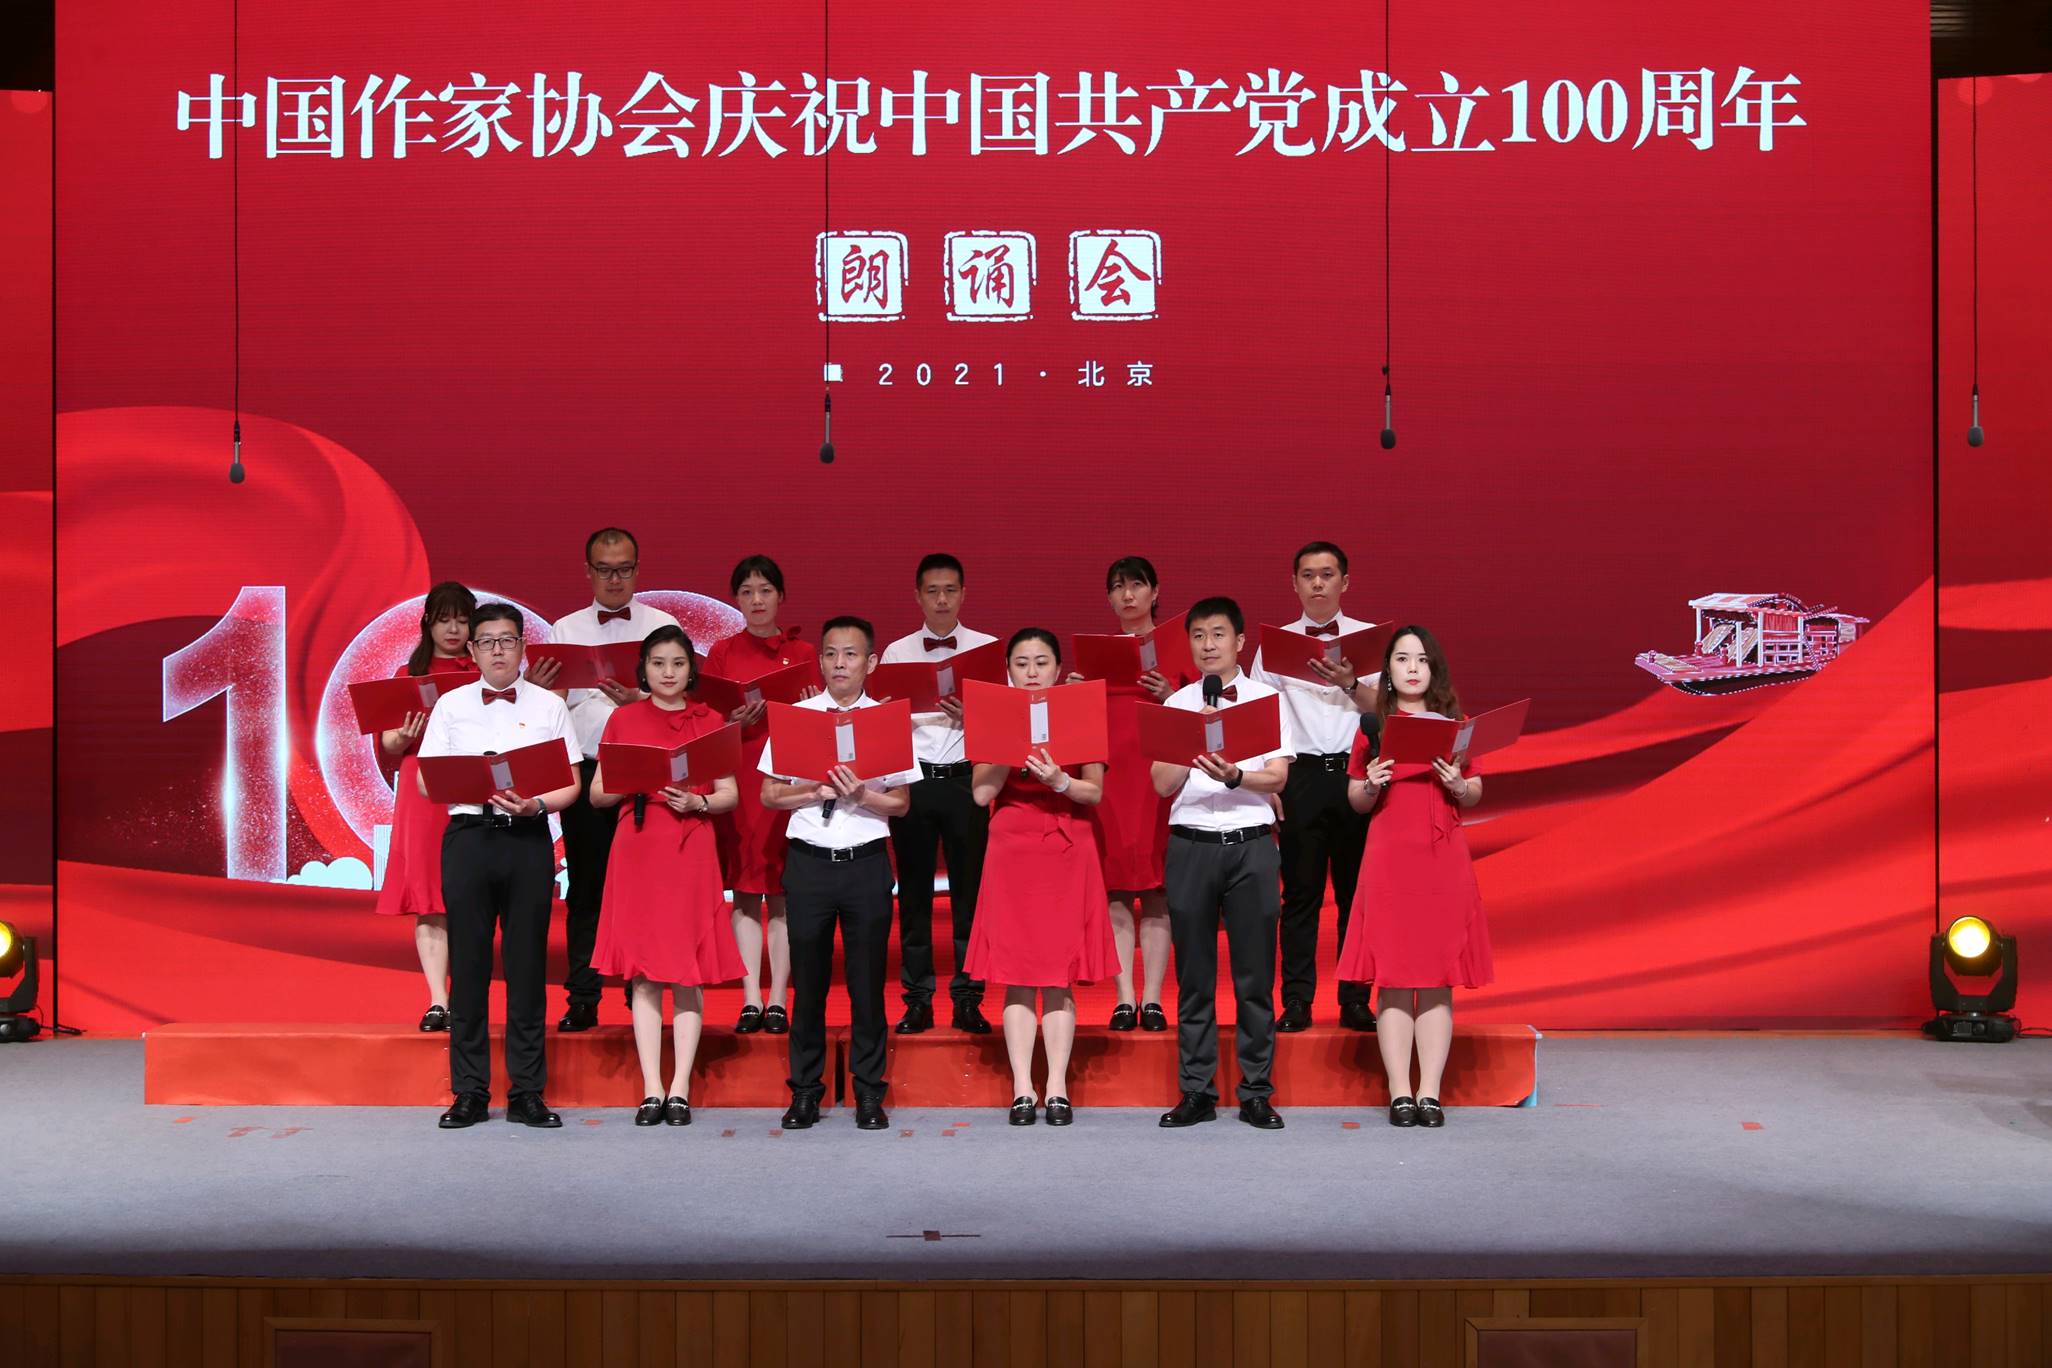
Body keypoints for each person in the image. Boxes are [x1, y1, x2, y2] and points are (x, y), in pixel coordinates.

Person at [417, 603, 582, 1130]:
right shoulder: (450, 706)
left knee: (527, 965)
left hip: (527, 837)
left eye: (507, 640)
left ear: (523, 647)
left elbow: (571, 783)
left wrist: (536, 804)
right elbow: (424, 779)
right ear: (472, 650)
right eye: (486, 641)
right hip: (468, 838)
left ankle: (527, 1092)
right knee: (468, 966)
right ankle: (469, 1091)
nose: (497, 650)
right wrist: (465, 781)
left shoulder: (549, 706)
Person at [758, 616, 919, 1131]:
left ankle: (868, 1093)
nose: (839, 663)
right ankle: (806, 1091)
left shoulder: (888, 720)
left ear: (871, 662)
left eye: (850, 654)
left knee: (867, 985)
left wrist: (861, 794)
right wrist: (812, 790)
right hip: (809, 863)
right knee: (808, 985)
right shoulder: (797, 718)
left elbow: (900, 804)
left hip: (865, 864)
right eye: (830, 654)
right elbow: (769, 794)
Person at [588, 627, 744, 1127]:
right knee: (644, 971)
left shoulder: (710, 721)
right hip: (637, 844)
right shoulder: (623, 718)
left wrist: (699, 800)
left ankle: (680, 1089)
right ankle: (652, 1088)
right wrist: (631, 779)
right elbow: (596, 794)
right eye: (658, 663)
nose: (669, 672)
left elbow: (729, 794)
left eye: (678, 663)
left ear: (691, 669)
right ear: (644, 669)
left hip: (690, 846)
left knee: (686, 969)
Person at [1341, 626, 1495, 1130]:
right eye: (1403, 659)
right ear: (1387, 670)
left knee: (1435, 977)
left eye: (1422, 660)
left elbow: (1475, 790)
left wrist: (1458, 784)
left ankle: (1430, 1091)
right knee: (1394, 975)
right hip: (1389, 857)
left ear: (1435, 669)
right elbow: (1356, 799)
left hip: (1442, 857)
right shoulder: (1374, 726)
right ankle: (1399, 1092)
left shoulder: (1458, 726)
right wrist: (1371, 783)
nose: (1412, 668)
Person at [1151, 598, 1296, 1131]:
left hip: (1251, 844)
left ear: (1239, 642)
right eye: (1198, 636)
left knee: (1255, 976)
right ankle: (1197, 1091)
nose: (1208, 644)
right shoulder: (1177, 704)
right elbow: (1161, 784)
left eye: (1218, 634)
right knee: (1194, 977)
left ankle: (1256, 1092)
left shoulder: (1266, 701)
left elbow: (1278, 777)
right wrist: (1193, 735)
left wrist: (1236, 776)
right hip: (1191, 844)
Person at [964, 629, 1116, 1127]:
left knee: (1058, 973)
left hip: (1068, 847)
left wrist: (1060, 780)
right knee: (1017, 973)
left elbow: (1094, 792)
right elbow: (981, 795)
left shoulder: (1081, 710)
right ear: (1008, 670)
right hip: (1013, 850)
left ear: (1057, 668)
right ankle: (1022, 1088)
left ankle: (1056, 1088)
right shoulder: (993, 716)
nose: (1032, 672)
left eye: (1042, 662)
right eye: (1022, 663)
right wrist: (1010, 746)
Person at [534, 528, 682, 1034]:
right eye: (604, 570)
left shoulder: (662, 626)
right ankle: (583, 995)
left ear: (637, 570)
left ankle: (644, 992)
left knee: (648, 887)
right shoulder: (565, 628)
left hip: (646, 769)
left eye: (623, 569)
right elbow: (549, 712)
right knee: (587, 887)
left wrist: (639, 702)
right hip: (586, 769)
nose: (614, 579)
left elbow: (684, 701)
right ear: (588, 572)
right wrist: (543, 691)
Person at [1250, 541, 1381, 1034]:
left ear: (1345, 582)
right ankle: (1297, 1000)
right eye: (1308, 575)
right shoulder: (1274, 644)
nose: (1318, 583)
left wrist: (1350, 683)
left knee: (1355, 894)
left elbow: (1386, 708)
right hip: (1299, 774)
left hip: (1356, 773)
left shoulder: (1370, 639)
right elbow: (1261, 716)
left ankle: (1355, 998)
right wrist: (1269, 782)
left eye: (1327, 574)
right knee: (1300, 896)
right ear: (1295, 584)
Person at [879, 553, 996, 1035]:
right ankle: (918, 999)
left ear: (964, 594)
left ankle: (969, 997)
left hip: (968, 780)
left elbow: (1009, 722)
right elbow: (883, 724)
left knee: (971, 893)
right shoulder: (896, 653)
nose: (942, 599)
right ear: (918, 596)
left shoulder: (987, 650)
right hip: (914, 781)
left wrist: (977, 715)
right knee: (914, 894)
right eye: (932, 591)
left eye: (950, 590)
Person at [703, 555, 817, 1038]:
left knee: (783, 891)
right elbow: (706, 720)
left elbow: (824, 720)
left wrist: (809, 708)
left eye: (765, 590)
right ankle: (750, 997)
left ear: (781, 596)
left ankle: (778, 999)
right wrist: (729, 720)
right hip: (741, 774)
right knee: (746, 889)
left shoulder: (805, 652)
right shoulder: (722, 653)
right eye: (747, 591)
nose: (756, 600)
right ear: (736, 599)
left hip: (788, 778)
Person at [1068, 556, 1179, 1033]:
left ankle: (1152, 997)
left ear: (1155, 591)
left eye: (1137, 584)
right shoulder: (1095, 657)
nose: (1128, 594)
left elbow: (1199, 716)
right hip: (1109, 773)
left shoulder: (1180, 651)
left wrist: (1170, 693)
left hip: (1156, 774)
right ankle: (1124, 997)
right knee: (1114, 886)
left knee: (1156, 887)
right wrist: (1073, 693)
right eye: (1118, 586)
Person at [372, 581, 478, 1032]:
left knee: (470, 895)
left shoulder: (485, 671)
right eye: (444, 620)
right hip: (422, 792)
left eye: (462, 620)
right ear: (428, 624)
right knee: (429, 898)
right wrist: (403, 735)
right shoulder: (406, 675)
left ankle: (466, 996)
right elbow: (389, 743)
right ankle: (438, 1000)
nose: (453, 629)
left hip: (473, 786)